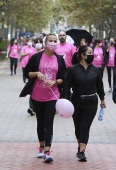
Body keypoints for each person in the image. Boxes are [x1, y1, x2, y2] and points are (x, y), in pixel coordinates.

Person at [20, 33, 66, 163]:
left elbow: (64, 77)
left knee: (48, 121)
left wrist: (56, 81)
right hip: (37, 95)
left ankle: (47, 151)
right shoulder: (36, 57)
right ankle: (41, 147)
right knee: (40, 122)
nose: (53, 43)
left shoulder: (60, 59)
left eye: (55, 41)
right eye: (50, 41)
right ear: (45, 43)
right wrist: (37, 73)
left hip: (53, 95)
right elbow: (26, 73)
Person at [63, 45, 106, 162]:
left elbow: (100, 86)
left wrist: (102, 99)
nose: (92, 55)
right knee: (78, 127)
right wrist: (65, 100)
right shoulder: (73, 69)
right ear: (82, 55)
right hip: (76, 102)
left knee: (85, 127)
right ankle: (79, 146)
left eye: (92, 53)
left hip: (91, 103)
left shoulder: (96, 70)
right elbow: (67, 86)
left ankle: (82, 151)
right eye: (90, 53)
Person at [27, 37, 43, 116]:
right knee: (32, 91)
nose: (38, 44)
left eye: (40, 42)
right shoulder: (32, 53)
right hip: (33, 75)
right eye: (37, 42)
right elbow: (28, 66)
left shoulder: (44, 53)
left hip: (42, 77)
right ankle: (31, 108)